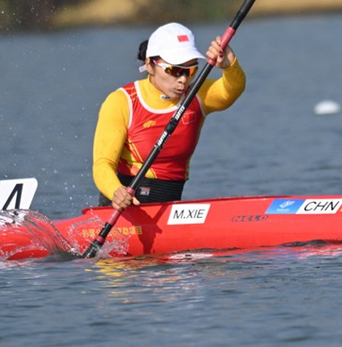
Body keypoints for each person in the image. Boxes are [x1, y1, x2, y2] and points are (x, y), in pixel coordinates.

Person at [93, 22, 246, 210]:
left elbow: (231, 91)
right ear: (150, 65)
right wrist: (115, 191)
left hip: (170, 210)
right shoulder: (122, 102)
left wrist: (230, 65)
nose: (183, 79)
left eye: (191, 70)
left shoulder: (196, 95)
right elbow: (102, 164)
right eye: (175, 70)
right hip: (122, 210)